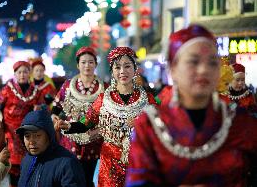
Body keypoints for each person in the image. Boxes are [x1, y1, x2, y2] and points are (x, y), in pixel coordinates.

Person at [126, 25, 257, 186]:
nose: (203, 70)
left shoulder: (241, 123)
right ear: (173, 69)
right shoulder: (149, 125)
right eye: (193, 62)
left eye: (211, 62)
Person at [60, 47, 156, 187]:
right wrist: (69, 125)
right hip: (109, 164)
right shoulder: (103, 99)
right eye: (117, 67)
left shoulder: (148, 99)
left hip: (139, 160)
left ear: (135, 69)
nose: (122, 71)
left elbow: (161, 126)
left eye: (127, 66)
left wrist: (140, 124)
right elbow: (86, 122)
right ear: (112, 71)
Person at [51, 47, 106, 187]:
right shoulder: (68, 86)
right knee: (71, 179)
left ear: (95, 64)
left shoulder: (105, 88)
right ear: (78, 65)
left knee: (88, 179)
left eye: (90, 62)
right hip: (70, 140)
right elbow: (56, 107)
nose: (87, 66)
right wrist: (54, 117)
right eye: (83, 62)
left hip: (93, 140)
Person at [0, 61, 42, 186]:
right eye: (19, 72)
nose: (22, 75)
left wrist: (39, 109)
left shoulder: (35, 90)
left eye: (25, 72)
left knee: (29, 162)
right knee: (12, 163)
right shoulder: (8, 89)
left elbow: (41, 105)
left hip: (28, 132)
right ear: (15, 74)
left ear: (29, 74)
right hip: (11, 132)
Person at [16, 109, 86, 187]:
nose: (31, 141)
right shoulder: (26, 161)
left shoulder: (67, 163)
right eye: (27, 136)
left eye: (37, 136)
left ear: (49, 135)